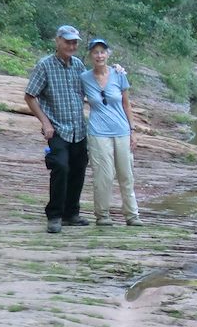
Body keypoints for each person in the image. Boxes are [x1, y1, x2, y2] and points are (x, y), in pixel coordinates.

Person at [24, 25, 90, 233]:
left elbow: (94, 86)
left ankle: (71, 213)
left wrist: (114, 72)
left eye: (74, 42)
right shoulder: (45, 65)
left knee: (78, 168)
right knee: (60, 167)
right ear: (58, 41)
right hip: (57, 128)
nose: (71, 46)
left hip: (78, 128)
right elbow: (30, 95)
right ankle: (54, 215)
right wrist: (44, 122)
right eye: (68, 41)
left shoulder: (78, 65)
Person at [81, 38, 142, 227]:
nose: (99, 55)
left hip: (122, 130)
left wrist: (132, 130)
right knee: (103, 175)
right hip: (98, 132)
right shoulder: (84, 77)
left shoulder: (118, 74)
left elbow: (126, 104)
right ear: (91, 55)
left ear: (108, 54)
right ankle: (102, 215)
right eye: (95, 52)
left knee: (126, 174)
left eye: (102, 51)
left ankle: (132, 215)